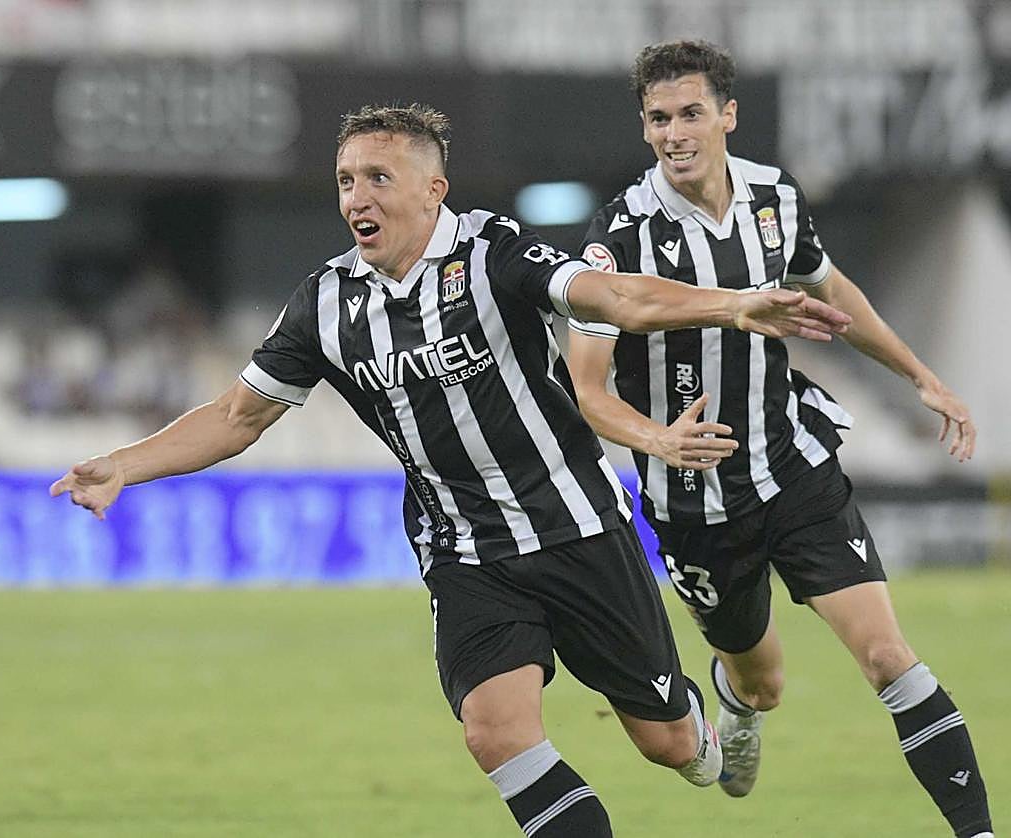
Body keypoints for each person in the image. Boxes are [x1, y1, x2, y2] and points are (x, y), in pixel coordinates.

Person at [51, 103, 851, 836]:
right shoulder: (325, 303)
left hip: (579, 531)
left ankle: (710, 728)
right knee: (496, 733)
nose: (355, 197)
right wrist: (125, 463)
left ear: (434, 189)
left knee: (669, 746)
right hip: (467, 553)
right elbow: (237, 417)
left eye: (377, 177)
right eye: (343, 180)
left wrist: (732, 304)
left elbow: (609, 297)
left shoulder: (495, 251)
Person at [566, 40, 993, 838]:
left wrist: (919, 374)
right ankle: (736, 703)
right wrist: (656, 441)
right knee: (762, 682)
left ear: (728, 115)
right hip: (693, 502)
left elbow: (831, 291)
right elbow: (585, 388)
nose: (673, 133)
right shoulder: (619, 237)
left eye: (690, 113)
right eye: (657, 118)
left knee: (886, 658)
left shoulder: (773, 197)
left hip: (794, 464)